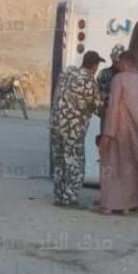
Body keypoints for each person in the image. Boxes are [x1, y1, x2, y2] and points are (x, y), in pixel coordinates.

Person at [98, 51, 138, 215]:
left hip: (119, 130)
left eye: (119, 63)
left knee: (111, 166)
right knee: (129, 168)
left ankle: (109, 204)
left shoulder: (119, 80)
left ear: (124, 63)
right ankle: (127, 205)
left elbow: (113, 108)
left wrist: (107, 134)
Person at [50, 50, 104, 208]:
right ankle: (70, 198)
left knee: (60, 162)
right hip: (73, 131)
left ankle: (59, 196)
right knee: (75, 164)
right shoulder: (89, 82)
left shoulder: (67, 73)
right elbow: (98, 108)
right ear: (94, 66)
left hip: (56, 126)